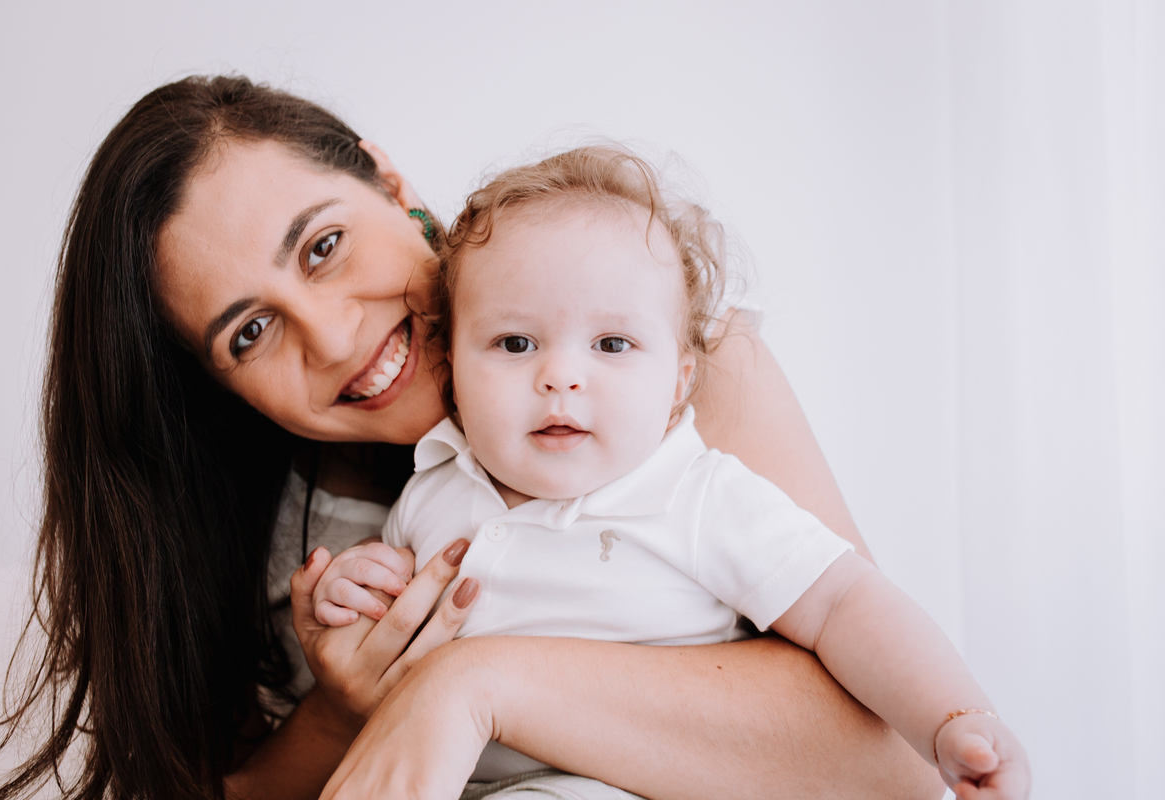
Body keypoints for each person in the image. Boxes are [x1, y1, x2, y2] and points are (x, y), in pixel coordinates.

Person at [0, 75, 945, 800]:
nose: (334, 337)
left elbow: (894, 766)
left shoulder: (664, 371)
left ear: (389, 182)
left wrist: (472, 682)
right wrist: (340, 714)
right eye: (251, 332)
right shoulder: (251, 515)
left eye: (323, 246)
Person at [309, 146, 1032, 800]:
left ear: (679, 384)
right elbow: (394, 629)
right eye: (516, 342)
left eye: (612, 344)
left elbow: (846, 602)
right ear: (452, 373)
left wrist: (952, 717)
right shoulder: (433, 486)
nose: (561, 375)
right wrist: (357, 587)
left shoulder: (697, 495)